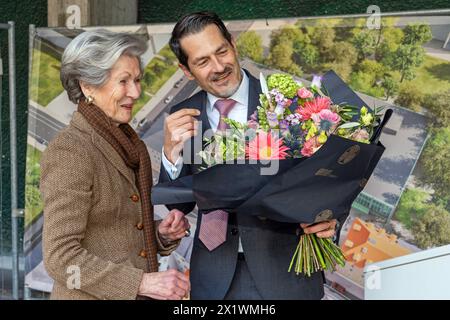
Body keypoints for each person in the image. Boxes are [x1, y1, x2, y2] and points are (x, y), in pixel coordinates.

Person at [160, 11, 344, 300]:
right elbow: (180, 201)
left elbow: (329, 179)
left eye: (221, 51)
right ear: (186, 70)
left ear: (233, 44)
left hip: (288, 275)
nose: (219, 66)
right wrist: (170, 153)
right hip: (212, 280)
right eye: (203, 61)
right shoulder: (183, 115)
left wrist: (329, 219)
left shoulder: (288, 102)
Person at [41, 30, 191, 300]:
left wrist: (159, 234)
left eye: (137, 80)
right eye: (123, 81)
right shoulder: (71, 149)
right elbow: (60, 258)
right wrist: (142, 283)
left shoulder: (130, 144)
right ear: (88, 86)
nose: (136, 92)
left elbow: (116, 234)